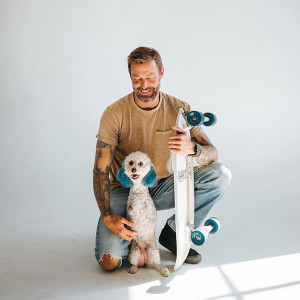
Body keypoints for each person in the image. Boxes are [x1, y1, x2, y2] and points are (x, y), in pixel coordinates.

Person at [93, 46, 232, 271]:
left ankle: (174, 234)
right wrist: (108, 217)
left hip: (164, 186)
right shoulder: (114, 113)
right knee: (110, 263)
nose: (144, 85)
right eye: (137, 79)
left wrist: (192, 148)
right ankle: (132, 241)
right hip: (125, 190)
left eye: (150, 77)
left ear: (161, 73)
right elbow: (100, 170)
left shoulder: (180, 109)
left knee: (220, 175)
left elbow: (213, 154)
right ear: (130, 77)